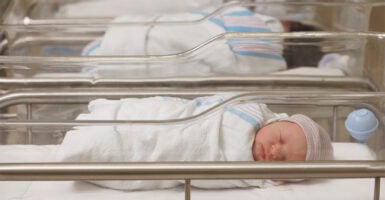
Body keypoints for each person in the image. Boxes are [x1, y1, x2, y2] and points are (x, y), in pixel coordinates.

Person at [57, 94, 334, 190]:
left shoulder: (252, 174)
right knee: (153, 117)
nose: (275, 152)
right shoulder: (247, 113)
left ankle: (92, 147)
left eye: (284, 162)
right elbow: (198, 108)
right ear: (275, 121)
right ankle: (110, 117)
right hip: (176, 119)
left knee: (125, 149)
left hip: (157, 153)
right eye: (281, 140)